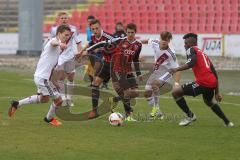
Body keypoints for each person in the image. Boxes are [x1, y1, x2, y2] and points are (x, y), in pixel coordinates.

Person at [8, 25, 71, 126]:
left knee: (44, 99)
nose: (67, 37)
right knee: (58, 100)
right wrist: (60, 43)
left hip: (43, 77)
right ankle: (48, 119)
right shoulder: (54, 41)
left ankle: (17, 104)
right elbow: (53, 42)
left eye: (69, 35)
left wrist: (54, 82)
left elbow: (51, 66)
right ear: (59, 34)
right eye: (65, 35)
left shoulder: (59, 47)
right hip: (42, 78)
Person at [170, 33, 234, 127]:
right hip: (212, 82)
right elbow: (214, 72)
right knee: (208, 102)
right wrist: (217, 92)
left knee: (176, 92)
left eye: (186, 43)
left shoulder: (191, 49)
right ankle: (227, 122)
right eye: (184, 43)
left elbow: (191, 63)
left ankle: (190, 116)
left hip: (203, 82)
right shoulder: (203, 54)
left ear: (192, 43)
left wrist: (176, 69)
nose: (185, 45)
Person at [86, 23, 143, 121]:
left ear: (135, 32)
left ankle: (115, 100)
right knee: (97, 84)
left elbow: (136, 59)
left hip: (126, 69)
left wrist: (138, 74)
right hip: (113, 67)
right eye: (128, 32)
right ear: (126, 32)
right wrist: (88, 50)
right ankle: (127, 114)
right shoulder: (120, 41)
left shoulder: (138, 45)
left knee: (134, 92)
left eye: (132, 32)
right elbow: (102, 43)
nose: (130, 34)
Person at [75, 19, 113, 119]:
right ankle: (94, 111)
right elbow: (90, 44)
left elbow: (116, 47)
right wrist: (81, 52)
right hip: (103, 63)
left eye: (97, 28)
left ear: (100, 27)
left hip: (113, 64)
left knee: (120, 88)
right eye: (93, 29)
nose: (95, 30)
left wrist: (101, 49)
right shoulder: (93, 37)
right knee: (95, 84)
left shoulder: (108, 37)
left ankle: (125, 108)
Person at [141, 31, 181, 119]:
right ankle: (158, 112)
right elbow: (146, 40)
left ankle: (156, 108)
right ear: (160, 38)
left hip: (167, 72)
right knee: (147, 93)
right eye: (162, 39)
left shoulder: (171, 53)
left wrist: (176, 83)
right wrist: (136, 44)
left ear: (169, 41)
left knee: (155, 84)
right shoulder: (155, 42)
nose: (164, 42)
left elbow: (177, 69)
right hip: (157, 71)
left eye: (166, 40)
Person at [49, 11, 82, 107]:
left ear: (68, 19)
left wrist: (80, 52)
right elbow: (50, 41)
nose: (64, 19)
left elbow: (78, 42)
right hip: (59, 56)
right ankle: (63, 98)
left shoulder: (73, 29)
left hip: (70, 56)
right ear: (59, 19)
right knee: (61, 77)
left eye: (65, 18)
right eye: (62, 18)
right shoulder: (54, 29)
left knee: (71, 77)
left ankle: (69, 98)